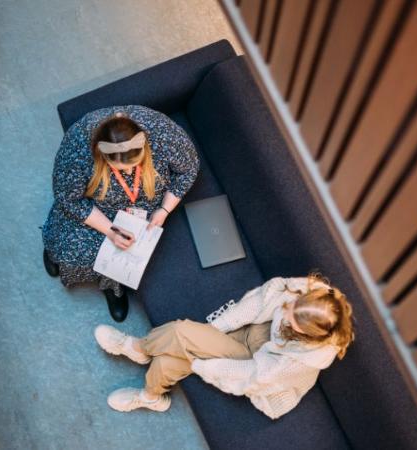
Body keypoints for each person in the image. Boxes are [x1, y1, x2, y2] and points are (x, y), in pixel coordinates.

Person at [93, 274, 355, 419]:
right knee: (172, 356)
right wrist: (213, 331)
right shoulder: (307, 294)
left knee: (181, 331)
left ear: (308, 336)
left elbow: (252, 375)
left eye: (294, 320)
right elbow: (256, 304)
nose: (287, 311)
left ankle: (139, 348)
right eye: (293, 308)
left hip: (255, 364)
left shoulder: (299, 362)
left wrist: (202, 364)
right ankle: (152, 398)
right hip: (251, 333)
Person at [41, 105, 199, 322]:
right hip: (95, 206)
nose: (127, 172)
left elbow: (188, 169)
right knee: (73, 250)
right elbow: (68, 197)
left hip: (144, 202)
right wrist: (110, 230)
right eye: (119, 167)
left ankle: (112, 286)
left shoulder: (162, 133)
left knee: (126, 254)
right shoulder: (78, 145)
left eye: (134, 164)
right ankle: (54, 252)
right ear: (100, 153)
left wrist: (164, 210)